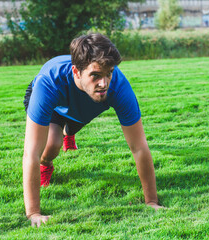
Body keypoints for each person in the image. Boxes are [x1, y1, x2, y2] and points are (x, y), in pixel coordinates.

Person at [23, 33, 163, 227]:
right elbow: (31, 152)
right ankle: (47, 164)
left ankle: (69, 134)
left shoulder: (118, 86)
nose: (104, 83)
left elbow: (139, 147)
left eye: (109, 73)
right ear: (76, 72)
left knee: (74, 121)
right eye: (95, 75)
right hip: (55, 104)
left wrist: (151, 202)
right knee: (51, 147)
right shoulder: (48, 83)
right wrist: (33, 213)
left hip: (83, 105)